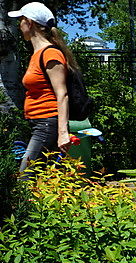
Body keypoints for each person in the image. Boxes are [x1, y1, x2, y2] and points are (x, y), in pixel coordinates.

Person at [9, 2, 77, 173]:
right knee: (44, 179)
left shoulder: (51, 54)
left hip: (47, 124)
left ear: (29, 23)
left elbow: (62, 94)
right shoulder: (37, 55)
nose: (19, 25)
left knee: (26, 178)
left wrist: (62, 133)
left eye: (21, 20)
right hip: (39, 123)